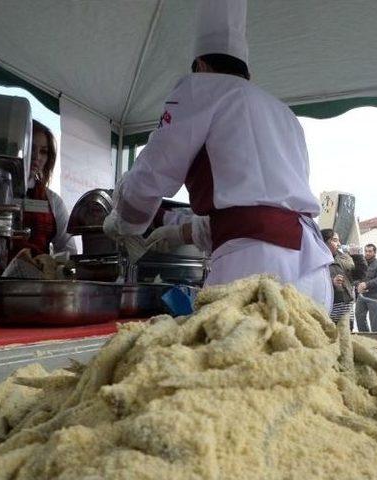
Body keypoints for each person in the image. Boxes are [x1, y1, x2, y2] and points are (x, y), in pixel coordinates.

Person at [103, 0, 333, 309]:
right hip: (313, 270)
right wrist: (178, 231)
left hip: (257, 269)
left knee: (228, 356)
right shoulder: (283, 113)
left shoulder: (201, 88)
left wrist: (125, 222)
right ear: (247, 74)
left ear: (200, 66)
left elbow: (151, 175)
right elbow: (257, 210)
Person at [9, 120, 76, 260]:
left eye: (43, 151)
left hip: (36, 279)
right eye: (31, 148)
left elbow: (68, 250)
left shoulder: (53, 201)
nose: (37, 157)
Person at [322, 229, 365, 325]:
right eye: (335, 240)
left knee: (346, 336)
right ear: (324, 242)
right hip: (328, 310)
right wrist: (332, 283)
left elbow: (360, 275)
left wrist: (357, 256)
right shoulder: (317, 260)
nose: (339, 244)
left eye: (338, 240)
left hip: (346, 310)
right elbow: (314, 284)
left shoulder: (344, 257)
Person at [354, 244, 377, 332]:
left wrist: (366, 285)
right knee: (359, 317)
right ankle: (366, 337)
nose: (367, 253)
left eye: (370, 251)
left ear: (374, 252)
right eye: (366, 251)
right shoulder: (361, 263)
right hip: (362, 296)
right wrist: (358, 285)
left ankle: (375, 341)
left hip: (375, 296)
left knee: (375, 322)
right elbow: (356, 277)